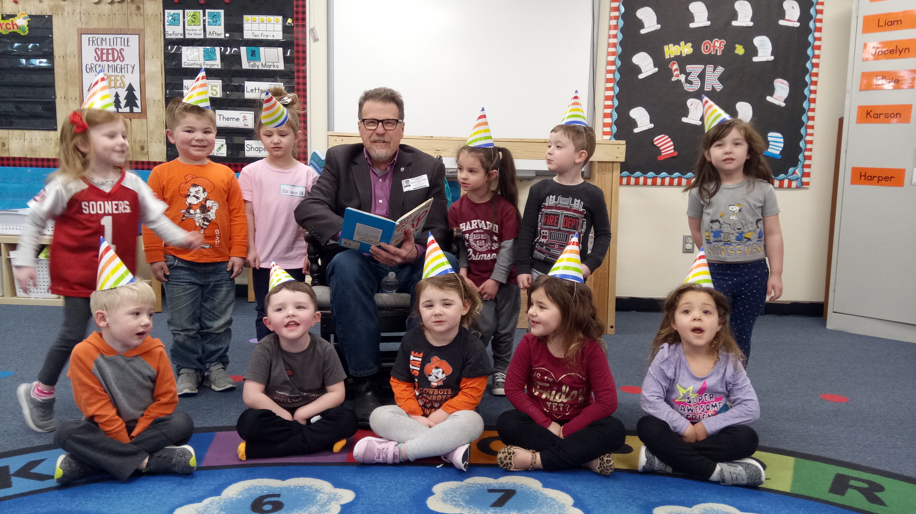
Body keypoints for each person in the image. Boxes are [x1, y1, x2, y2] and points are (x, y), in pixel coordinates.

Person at [14, 75, 201, 433]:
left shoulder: (132, 183)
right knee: (73, 336)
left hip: (119, 282)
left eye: (123, 136)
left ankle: (118, 397)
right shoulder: (65, 183)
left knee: (121, 336)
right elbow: (35, 221)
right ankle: (41, 392)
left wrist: (182, 238)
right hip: (78, 276)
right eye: (111, 136)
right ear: (83, 143)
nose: (122, 142)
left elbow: (156, 220)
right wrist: (23, 260)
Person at [294, 87, 455, 423]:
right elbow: (309, 208)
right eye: (371, 122)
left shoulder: (428, 167)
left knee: (446, 266)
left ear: (401, 127)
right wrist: (349, 233)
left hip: (409, 263)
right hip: (361, 261)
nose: (379, 129)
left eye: (388, 122)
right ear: (360, 126)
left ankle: (421, 379)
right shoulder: (340, 159)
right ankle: (366, 382)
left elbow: (440, 228)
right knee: (345, 264)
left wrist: (416, 250)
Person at [53, 242, 196, 484]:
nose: (146, 322)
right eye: (136, 314)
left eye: (149, 314)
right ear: (103, 319)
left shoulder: (155, 350)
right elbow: (95, 408)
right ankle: (148, 463)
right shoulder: (84, 354)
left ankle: (93, 463)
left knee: (182, 423)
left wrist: (133, 437)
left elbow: (167, 400)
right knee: (65, 432)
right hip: (103, 429)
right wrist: (121, 439)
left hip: (148, 427)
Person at [143, 72, 248, 396]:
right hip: (179, 263)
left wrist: (238, 251)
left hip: (219, 262)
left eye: (207, 130)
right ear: (171, 135)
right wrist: (155, 256)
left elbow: (237, 214)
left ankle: (216, 366)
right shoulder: (161, 173)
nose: (199, 137)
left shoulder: (225, 174)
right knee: (183, 324)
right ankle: (188, 368)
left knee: (218, 323)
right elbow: (151, 217)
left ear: (215, 134)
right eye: (189, 130)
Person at [353, 236, 489, 471]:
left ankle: (400, 453)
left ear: (464, 307)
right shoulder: (412, 339)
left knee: (473, 422)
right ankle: (447, 449)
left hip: (454, 417)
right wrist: (415, 415)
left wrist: (439, 417)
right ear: (419, 308)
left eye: (447, 304)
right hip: (415, 416)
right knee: (378, 416)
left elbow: (471, 394)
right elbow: (400, 382)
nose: (437, 312)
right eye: (428, 305)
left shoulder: (472, 345)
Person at [496, 236, 624, 476]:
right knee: (507, 423)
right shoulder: (529, 342)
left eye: (542, 307)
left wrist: (567, 430)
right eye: (532, 304)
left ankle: (537, 460)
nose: (531, 312)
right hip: (540, 423)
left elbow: (608, 402)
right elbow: (513, 389)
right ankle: (583, 458)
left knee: (614, 430)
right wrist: (548, 424)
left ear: (570, 312)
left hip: (578, 425)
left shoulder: (591, 348)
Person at [636, 282, 764, 487]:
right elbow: (650, 399)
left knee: (747, 438)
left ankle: (666, 460)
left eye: (706, 311)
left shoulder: (730, 361)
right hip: (676, 431)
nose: (697, 316)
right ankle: (714, 472)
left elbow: (750, 408)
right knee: (648, 426)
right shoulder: (667, 357)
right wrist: (684, 427)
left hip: (712, 434)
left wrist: (705, 426)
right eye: (686, 311)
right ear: (674, 322)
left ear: (720, 323)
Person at [686, 97, 784, 363]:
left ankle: (734, 387)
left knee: (741, 334)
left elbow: (773, 233)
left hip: (753, 273)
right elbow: (696, 230)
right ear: (708, 154)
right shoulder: (699, 191)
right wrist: (711, 255)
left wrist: (775, 273)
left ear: (748, 152)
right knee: (709, 332)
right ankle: (708, 382)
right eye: (719, 145)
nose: (728, 150)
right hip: (715, 271)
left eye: (736, 143)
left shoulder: (763, 190)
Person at [236, 265, 357, 460]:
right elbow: (251, 396)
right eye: (280, 309)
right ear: (268, 323)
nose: (290, 313)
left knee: (347, 420)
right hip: (275, 415)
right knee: (248, 423)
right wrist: (285, 416)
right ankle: (320, 441)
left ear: (315, 318)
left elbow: (337, 393)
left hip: (313, 414)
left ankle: (261, 451)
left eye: (300, 307)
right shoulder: (265, 348)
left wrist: (302, 413)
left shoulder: (325, 349)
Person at [448, 109, 521, 396]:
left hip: (506, 283)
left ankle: (501, 370)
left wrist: (497, 279)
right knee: (482, 327)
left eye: (472, 171)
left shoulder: (505, 208)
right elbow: (459, 246)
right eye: (460, 169)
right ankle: (477, 368)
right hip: (474, 282)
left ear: (491, 175)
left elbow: (508, 247)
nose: (463, 176)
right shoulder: (455, 209)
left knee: (505, 330)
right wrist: (463, 275)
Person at [240, 87, 319, 341]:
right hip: (263, 258)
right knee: (265, 310)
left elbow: (312, 220)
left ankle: (294, 358)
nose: (276, 140)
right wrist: (250, 249)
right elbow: (248, 215)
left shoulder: (307, 175)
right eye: (268, 134)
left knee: (293, 309)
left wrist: (309, 253)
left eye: (283, 134)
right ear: (259, 136)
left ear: (296, 135)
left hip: (295, 258)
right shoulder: (251, 172)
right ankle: (267, 361)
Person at [515, 93, 611, 290]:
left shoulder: (593, 194)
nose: (549, 151)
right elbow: (526, 231)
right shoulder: (539, 189)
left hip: (572, 274)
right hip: (538, 272)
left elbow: (603, 235)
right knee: (539, 318)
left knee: (570, 320)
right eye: (549, 145)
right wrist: (523, 267)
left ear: (580, 155)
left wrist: (588, 266)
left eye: (558, 146)